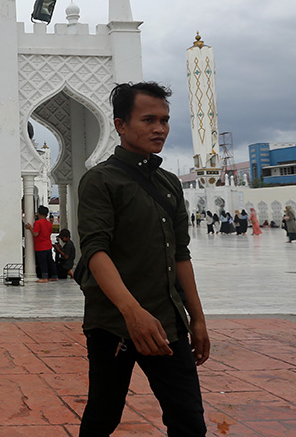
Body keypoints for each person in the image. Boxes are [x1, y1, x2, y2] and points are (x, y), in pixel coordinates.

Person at [78, 82, 209, 436]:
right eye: (148, 119)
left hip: (167, 322)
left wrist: (196, 318)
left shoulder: (169, 183)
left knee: (189, 421)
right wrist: (132, 313)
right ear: (121, 125)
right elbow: (94, 250)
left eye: (164, 120)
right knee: (103, 416)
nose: (159, 129)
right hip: (114, 325)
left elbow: (180, 254)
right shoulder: (101, 181)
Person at [25, 205, 56, 282]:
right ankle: (54, 276)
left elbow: (35, 234)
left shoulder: (38, 223)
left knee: (43, 262)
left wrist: (30, 228)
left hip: (40, 246)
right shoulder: (49, 223)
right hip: (48, 245)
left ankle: (44, 277)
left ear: (38, 213)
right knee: (50, 261)